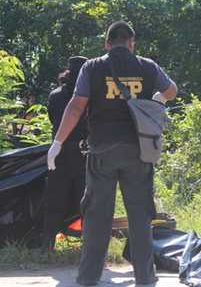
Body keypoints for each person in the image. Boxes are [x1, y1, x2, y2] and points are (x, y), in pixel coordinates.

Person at [47, 21, 177, 286]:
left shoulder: (92, 67)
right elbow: (171, 90)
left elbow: (76, 107)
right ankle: (145, 278)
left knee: (96, 218)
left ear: (107, 43)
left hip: (102, 152)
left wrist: (58, 143)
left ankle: (88, 279)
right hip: (139, 152)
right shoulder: (147, 66)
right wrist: (154, 102)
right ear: (131, 43)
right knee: (140, 217)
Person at [42, 56, 88, 251]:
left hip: (59, 153)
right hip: (83, 153)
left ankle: (47, 246)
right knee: (86, 202)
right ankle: (90, 247)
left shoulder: (55, 95)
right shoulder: (89, 96)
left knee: (54, 201)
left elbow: (53, 119)